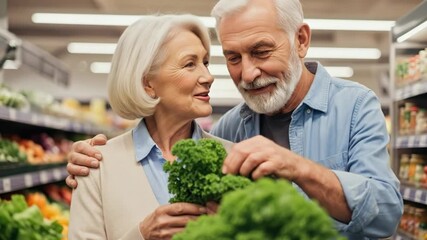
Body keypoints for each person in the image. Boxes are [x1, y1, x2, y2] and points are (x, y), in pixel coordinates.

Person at [66, 0, 403, 239]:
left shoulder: (355, 105)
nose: (248, 73)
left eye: (261, 51)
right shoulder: (230, 130)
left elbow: (386, 213)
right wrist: (97, 162)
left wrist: (297, 167)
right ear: (147, 82)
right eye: (231, 58)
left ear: (300, 40)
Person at [67, 14, 229, 240]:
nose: (208, 76)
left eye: (205, 62)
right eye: (190, 64)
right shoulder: (96, 167)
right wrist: (142, 236)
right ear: (147, 83)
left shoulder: (235, 158)